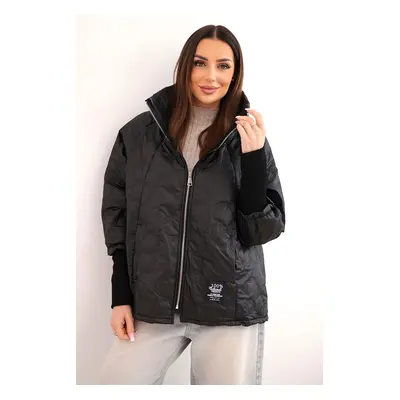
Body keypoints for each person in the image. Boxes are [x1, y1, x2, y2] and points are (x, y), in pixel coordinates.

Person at [98, 24, 286, 385]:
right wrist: (120, 296)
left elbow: (263, 229)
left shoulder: (248, 137)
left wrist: (252, 158)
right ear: (185, 65)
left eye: (223, 66)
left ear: (235, 72)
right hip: (152, 304)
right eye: (200, 63)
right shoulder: (138, 135)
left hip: (229, 304)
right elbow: (118, 217)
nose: (211, 76)